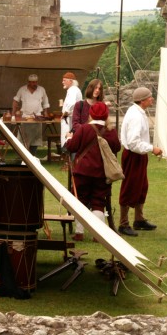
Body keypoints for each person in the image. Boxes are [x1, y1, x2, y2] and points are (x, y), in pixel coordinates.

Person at [65, 102, 120, 241]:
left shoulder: (84, 128)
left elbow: (71, 147)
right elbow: (117, 147)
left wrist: (68, 138)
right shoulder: (110, 131)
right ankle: (97, 235)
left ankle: (79, 233)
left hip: (82, 172)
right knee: (98, 202)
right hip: (102, 173)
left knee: (80, 201)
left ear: (91, 113)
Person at [118, 87, 162, 236]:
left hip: (138, 156)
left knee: (142, 186)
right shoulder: (136, 116)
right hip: (133, 156)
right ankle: (123, 223)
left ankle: (139, 219)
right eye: (149, 97)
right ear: (142, 100)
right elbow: (133, 142)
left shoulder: (137, 112)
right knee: (130, 187)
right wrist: (151, 148)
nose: (152, 99)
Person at [11, 74, 50, 155]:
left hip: (37, 117)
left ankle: (33, 155)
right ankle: (23, 156)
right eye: (32, 82)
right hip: (25, 117)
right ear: (28, 82)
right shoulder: (22, 89)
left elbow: (45, 102)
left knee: (36, 138)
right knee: (23, 137)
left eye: (35, 82)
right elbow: (15, 101)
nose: (34, 84)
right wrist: (13, 115)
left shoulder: (41, 89)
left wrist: (46, 113)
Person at [60, 72, 82, 148]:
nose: (62, 82)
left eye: (64, 80)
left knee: (68, 139)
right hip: (71, 118)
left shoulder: (73, 90)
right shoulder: (73, 90)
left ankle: (68, 156)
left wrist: (65, 112)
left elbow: (72, 103)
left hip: (70, 119)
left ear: (71, 81)